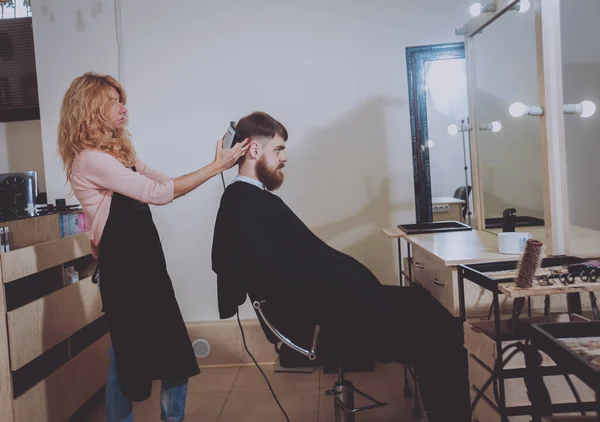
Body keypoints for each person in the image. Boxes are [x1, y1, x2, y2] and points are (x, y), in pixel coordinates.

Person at [211, 111, 470, 422]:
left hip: (316, 311)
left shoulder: (244, 200)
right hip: (316, 322)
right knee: (437, 323)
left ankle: (438, 409)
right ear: (254, 150)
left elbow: (299, 265)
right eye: (278, 149)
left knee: (422, 307)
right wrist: (361, 288)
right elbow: (294, 275)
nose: (284, 158)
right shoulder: (250, 204)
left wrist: (358, 285)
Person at [58, 72, 249, 422]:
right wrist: (216, 167)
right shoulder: (90, 160)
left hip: (147, 264)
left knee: (174, 352)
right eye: (114, 102)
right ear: (91, 108)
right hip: (123, 271)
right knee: (126, 363)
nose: (123, 108)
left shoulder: (117, 153)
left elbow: (162, 181)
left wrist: (212, 165)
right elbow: (160, 194)